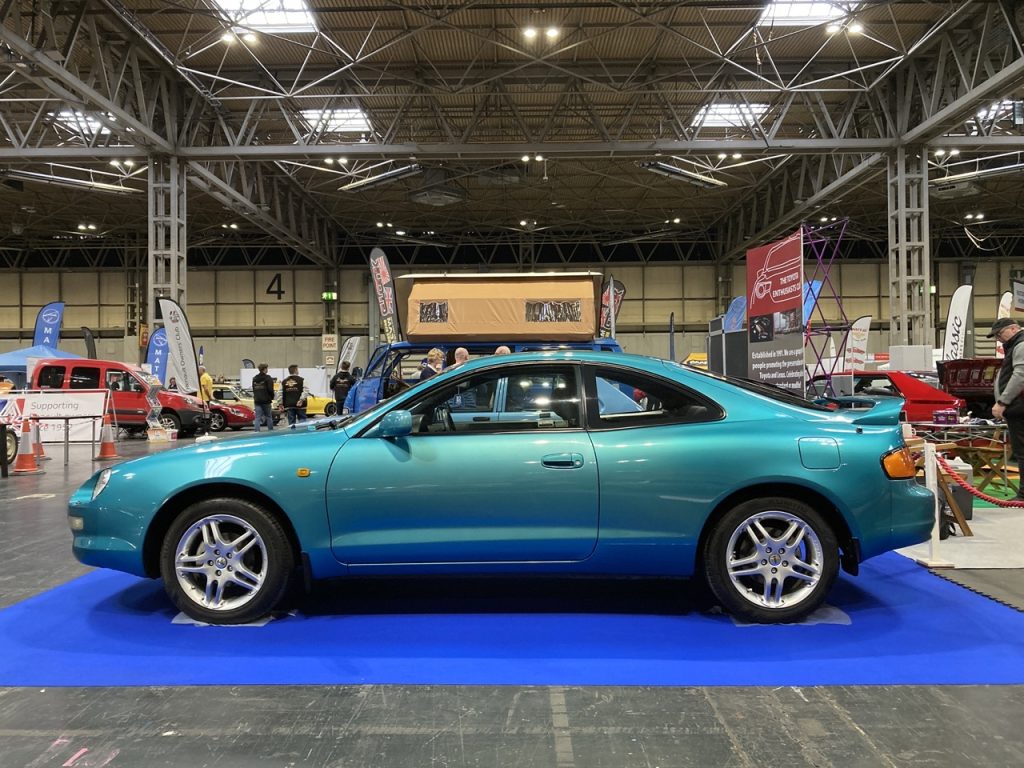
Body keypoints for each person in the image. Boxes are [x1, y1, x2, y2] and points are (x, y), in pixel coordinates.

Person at [989, 317, 1024, 497]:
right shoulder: (1015, 346)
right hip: (1018, 407)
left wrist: (1002, 402)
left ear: (1013, 329)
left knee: (1022, 452)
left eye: (1000, 334)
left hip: (1019, 408)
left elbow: (1020, 376)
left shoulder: (1020, 345)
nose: (998, 339)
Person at [251, 363, 275, 432]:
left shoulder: (255, 378)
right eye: (267, 368)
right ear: (264, 369)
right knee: (269, 416)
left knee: (257, 417)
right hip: (266, 400)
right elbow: (270, 389)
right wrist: (271, 397)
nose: (267, 370)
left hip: (257, 400)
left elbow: (253, 389)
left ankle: (257, 431)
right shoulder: (268, 378)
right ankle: (270, 431)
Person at [281, 364, 305, 428]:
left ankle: (292, 435)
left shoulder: (284, 381)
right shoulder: (302, 380)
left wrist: (280, 403)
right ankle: (303, 435)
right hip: (300, 405)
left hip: (289, 405)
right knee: (302, 421)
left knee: (291, 422)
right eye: (297, 369)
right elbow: (306, 391)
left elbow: (280, 393)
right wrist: (301, 400)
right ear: (296, 370)